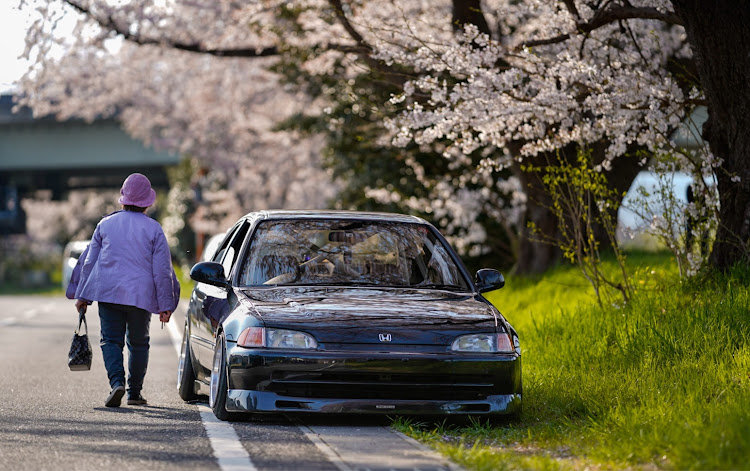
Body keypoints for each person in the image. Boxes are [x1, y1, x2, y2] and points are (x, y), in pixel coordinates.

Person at [67, 173, 180, 408]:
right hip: (141, 296)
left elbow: (90, 262)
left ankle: (116, 382)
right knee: (139, 343)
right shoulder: (154, 229)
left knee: (110, 341)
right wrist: (166, 304)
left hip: (109, 292)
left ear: (123, 199)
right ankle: (134, 393)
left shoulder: (105, 224)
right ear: (148, 202)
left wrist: (82, 296)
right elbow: (162, 270)